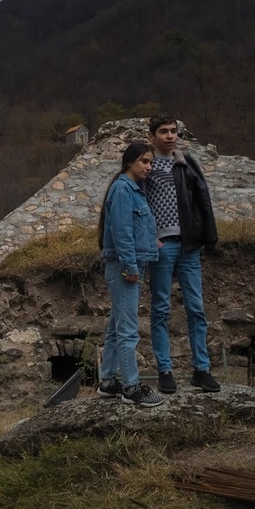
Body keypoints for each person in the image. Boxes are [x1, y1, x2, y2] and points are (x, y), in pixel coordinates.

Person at [142, 113, 221, 394]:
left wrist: (208, 238)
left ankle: (202, 369)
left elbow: (204, 200)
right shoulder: (145, 165)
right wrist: (149, 239)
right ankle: (165, 370)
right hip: (161, 247)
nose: (170, 136)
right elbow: (136, 203)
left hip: (188, 245)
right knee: (161, 309)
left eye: (173, 131)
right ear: (152, 135)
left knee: (196, 309)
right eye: (163, 131)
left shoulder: (186, 164)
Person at [96, 143, 162, 407]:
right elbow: (122, 233)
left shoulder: (132, 190)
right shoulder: (123, 190)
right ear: (130, 162)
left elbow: (132, 229)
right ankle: (131, 387)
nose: (148, 167)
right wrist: (130, 267)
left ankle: (109, 380)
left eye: (150, 162)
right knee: (127, 330)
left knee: (115, 327)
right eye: (145, 161)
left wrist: (151, 242)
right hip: (124, 268)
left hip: (129, 265)